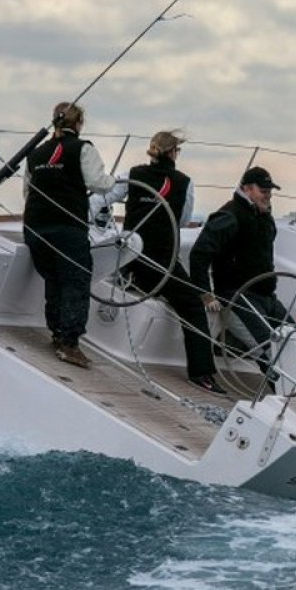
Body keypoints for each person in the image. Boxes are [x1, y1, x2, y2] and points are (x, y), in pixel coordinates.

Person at [22, 101, 123, 368]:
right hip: (66, 227)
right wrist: (115, 181)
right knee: (75, 282)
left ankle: (57, 334)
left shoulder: (35, 154)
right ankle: (69, 344)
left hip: (35, 226)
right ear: (79, 124)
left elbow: (28, 192)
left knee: (53, 279)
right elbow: (98, 183)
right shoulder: (82, 148)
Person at [122, 130, 223, 394]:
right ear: (174, 153)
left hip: (129, 259)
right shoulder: (184, 183)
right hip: (161, 263)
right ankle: (201, 373)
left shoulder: (133, 174)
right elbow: (182, 221)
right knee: (193, 305)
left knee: (175, 289)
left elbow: (102, 198)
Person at [189, 165, 289, 378]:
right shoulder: (230, 215)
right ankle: (290, 392)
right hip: (237, 295)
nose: (268, 196)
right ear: (247, 189)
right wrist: (205, 294)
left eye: (270, 191)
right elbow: (199, 254)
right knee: (270, 351)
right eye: (263, 191)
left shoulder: (265, 218)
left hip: (267, 297)